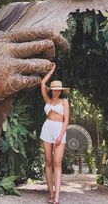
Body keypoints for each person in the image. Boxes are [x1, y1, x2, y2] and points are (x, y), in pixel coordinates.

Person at [39, 62, 70, 204]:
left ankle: (57, 196)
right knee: (48, 161)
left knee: (57, 162)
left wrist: (60, 135)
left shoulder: (64, 101)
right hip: (47, 129)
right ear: (51, 90)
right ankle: (51, 193)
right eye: (54, 89)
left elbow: (66, 120)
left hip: (59, 130)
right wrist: (51, 71)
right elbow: (42, 84)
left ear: (61, 91)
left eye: (58, 90)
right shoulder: (48, 100)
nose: (56, 91)